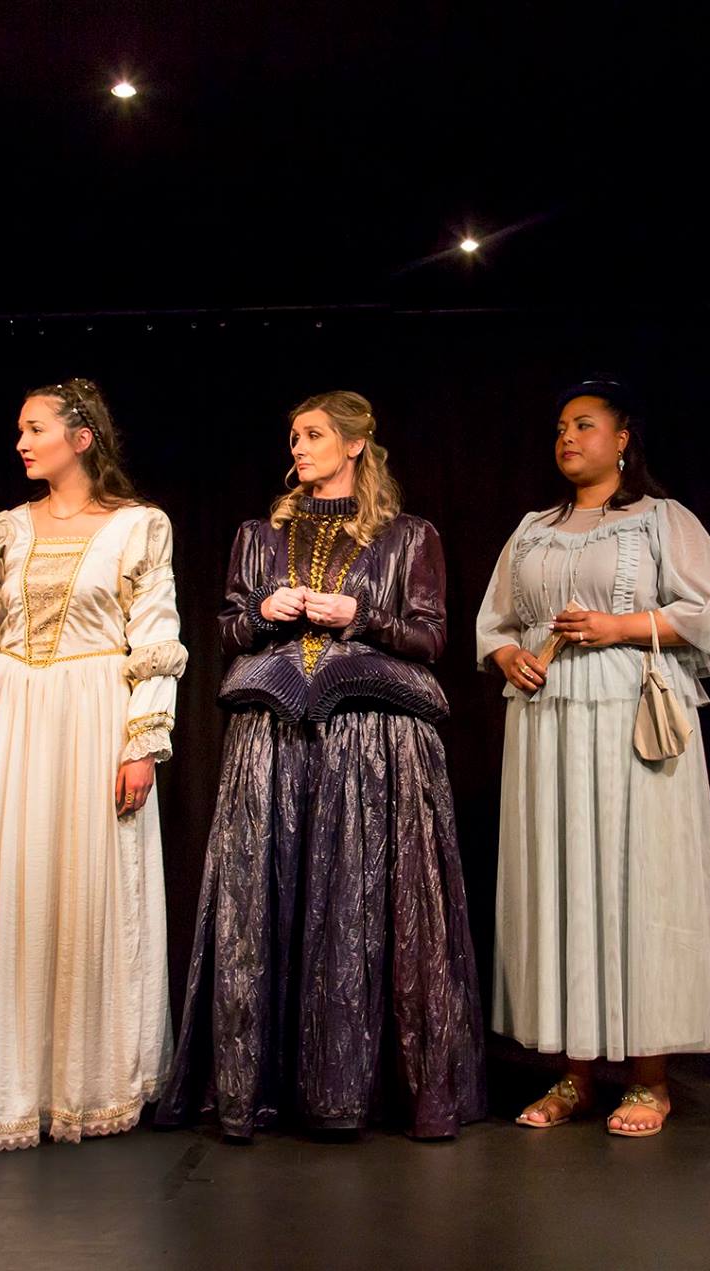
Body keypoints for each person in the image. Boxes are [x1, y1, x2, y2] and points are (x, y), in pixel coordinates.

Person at [156, 390, 486, 1140]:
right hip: (273, 738)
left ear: (355, 444)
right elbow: (226, 627)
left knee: (359, 902)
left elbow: (431, 638)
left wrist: (358, 616)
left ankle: (358, 1091)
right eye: (294, 437)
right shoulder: (258, 535)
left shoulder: (409, 536)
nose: (299, 448)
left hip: (372, 740)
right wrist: (263, 613)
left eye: (313, 435)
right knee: (265, 903)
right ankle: (259, 1086)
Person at [0, 378, 182, 1149]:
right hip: (11, 717)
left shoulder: (137, 528)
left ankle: (84, 1083)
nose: (22, 443)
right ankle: (2, 1082)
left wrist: (141, 741)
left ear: (82, 437)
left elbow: (155, 637)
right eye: (20, 429)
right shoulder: (7, 529)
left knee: (87, 886)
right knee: (9, 882)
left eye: (36, 428)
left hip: (91, 715)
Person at [480, 378, 710, 1138]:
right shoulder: (532, 530)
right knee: (562, 880)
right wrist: (506, 656)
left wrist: (618, 625)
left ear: (623, 438)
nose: (567, 437)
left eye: (585, 424)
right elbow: (495, 621)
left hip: (630, 714)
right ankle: (574, 1072)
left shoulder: (660, 520)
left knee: (637, 880)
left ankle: (649, 1079)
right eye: (561, 426)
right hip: (548, 720)